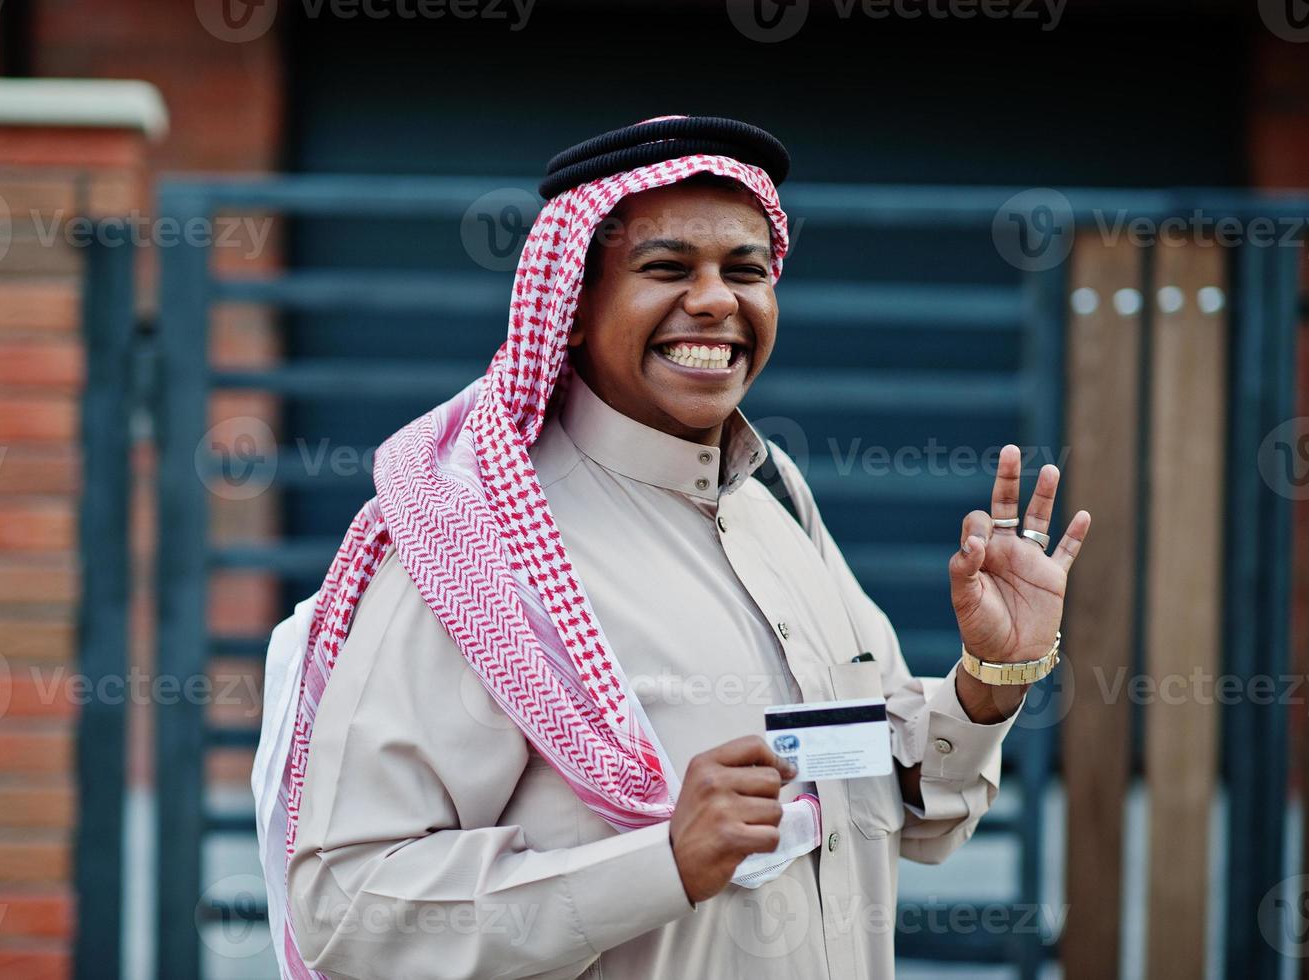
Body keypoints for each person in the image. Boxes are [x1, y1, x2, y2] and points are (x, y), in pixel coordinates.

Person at [251, 115, 1092, 979]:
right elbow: (348, 908)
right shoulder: (475, 549)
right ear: (570, 308)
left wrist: (990, 681)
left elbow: (865, 772)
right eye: (665, 268)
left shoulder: (774, 505)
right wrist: (663, 866)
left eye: (744, 271)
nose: (716, 301)